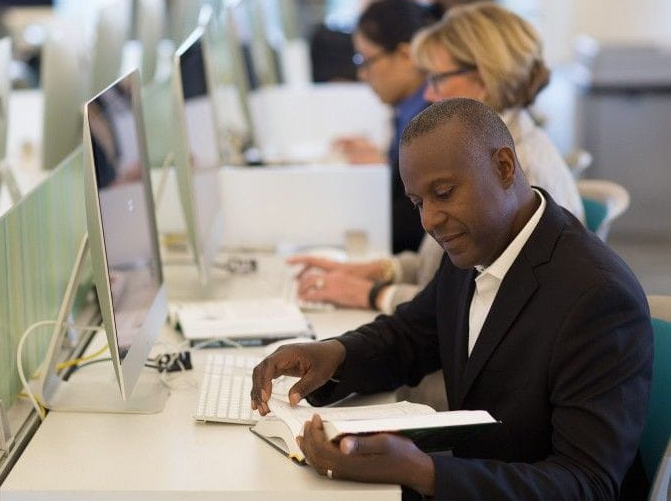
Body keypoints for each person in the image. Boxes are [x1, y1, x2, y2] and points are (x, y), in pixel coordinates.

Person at [252, 98, 652, 500]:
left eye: (443, 193)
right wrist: (333, 355)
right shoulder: (477, 245)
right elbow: (411, 335)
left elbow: (587, 485)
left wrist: (425, 473)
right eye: (418, 203)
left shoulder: (597, 297)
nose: (429, 220)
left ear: (504, 167)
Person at [293, 2, 584, 312]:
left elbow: (477, 309)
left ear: (483, 79)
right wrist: (379, 270)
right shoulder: (488, 146)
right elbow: (444, 268)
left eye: (437, 79)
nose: (428, 95)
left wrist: (373, 294)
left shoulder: (514, 171)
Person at [331, 0, 435, 254]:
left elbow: (417, 223)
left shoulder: (431, 121)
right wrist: (382, 162)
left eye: (366, 61)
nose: (361, 74)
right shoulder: (407, 109)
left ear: (404, 55)